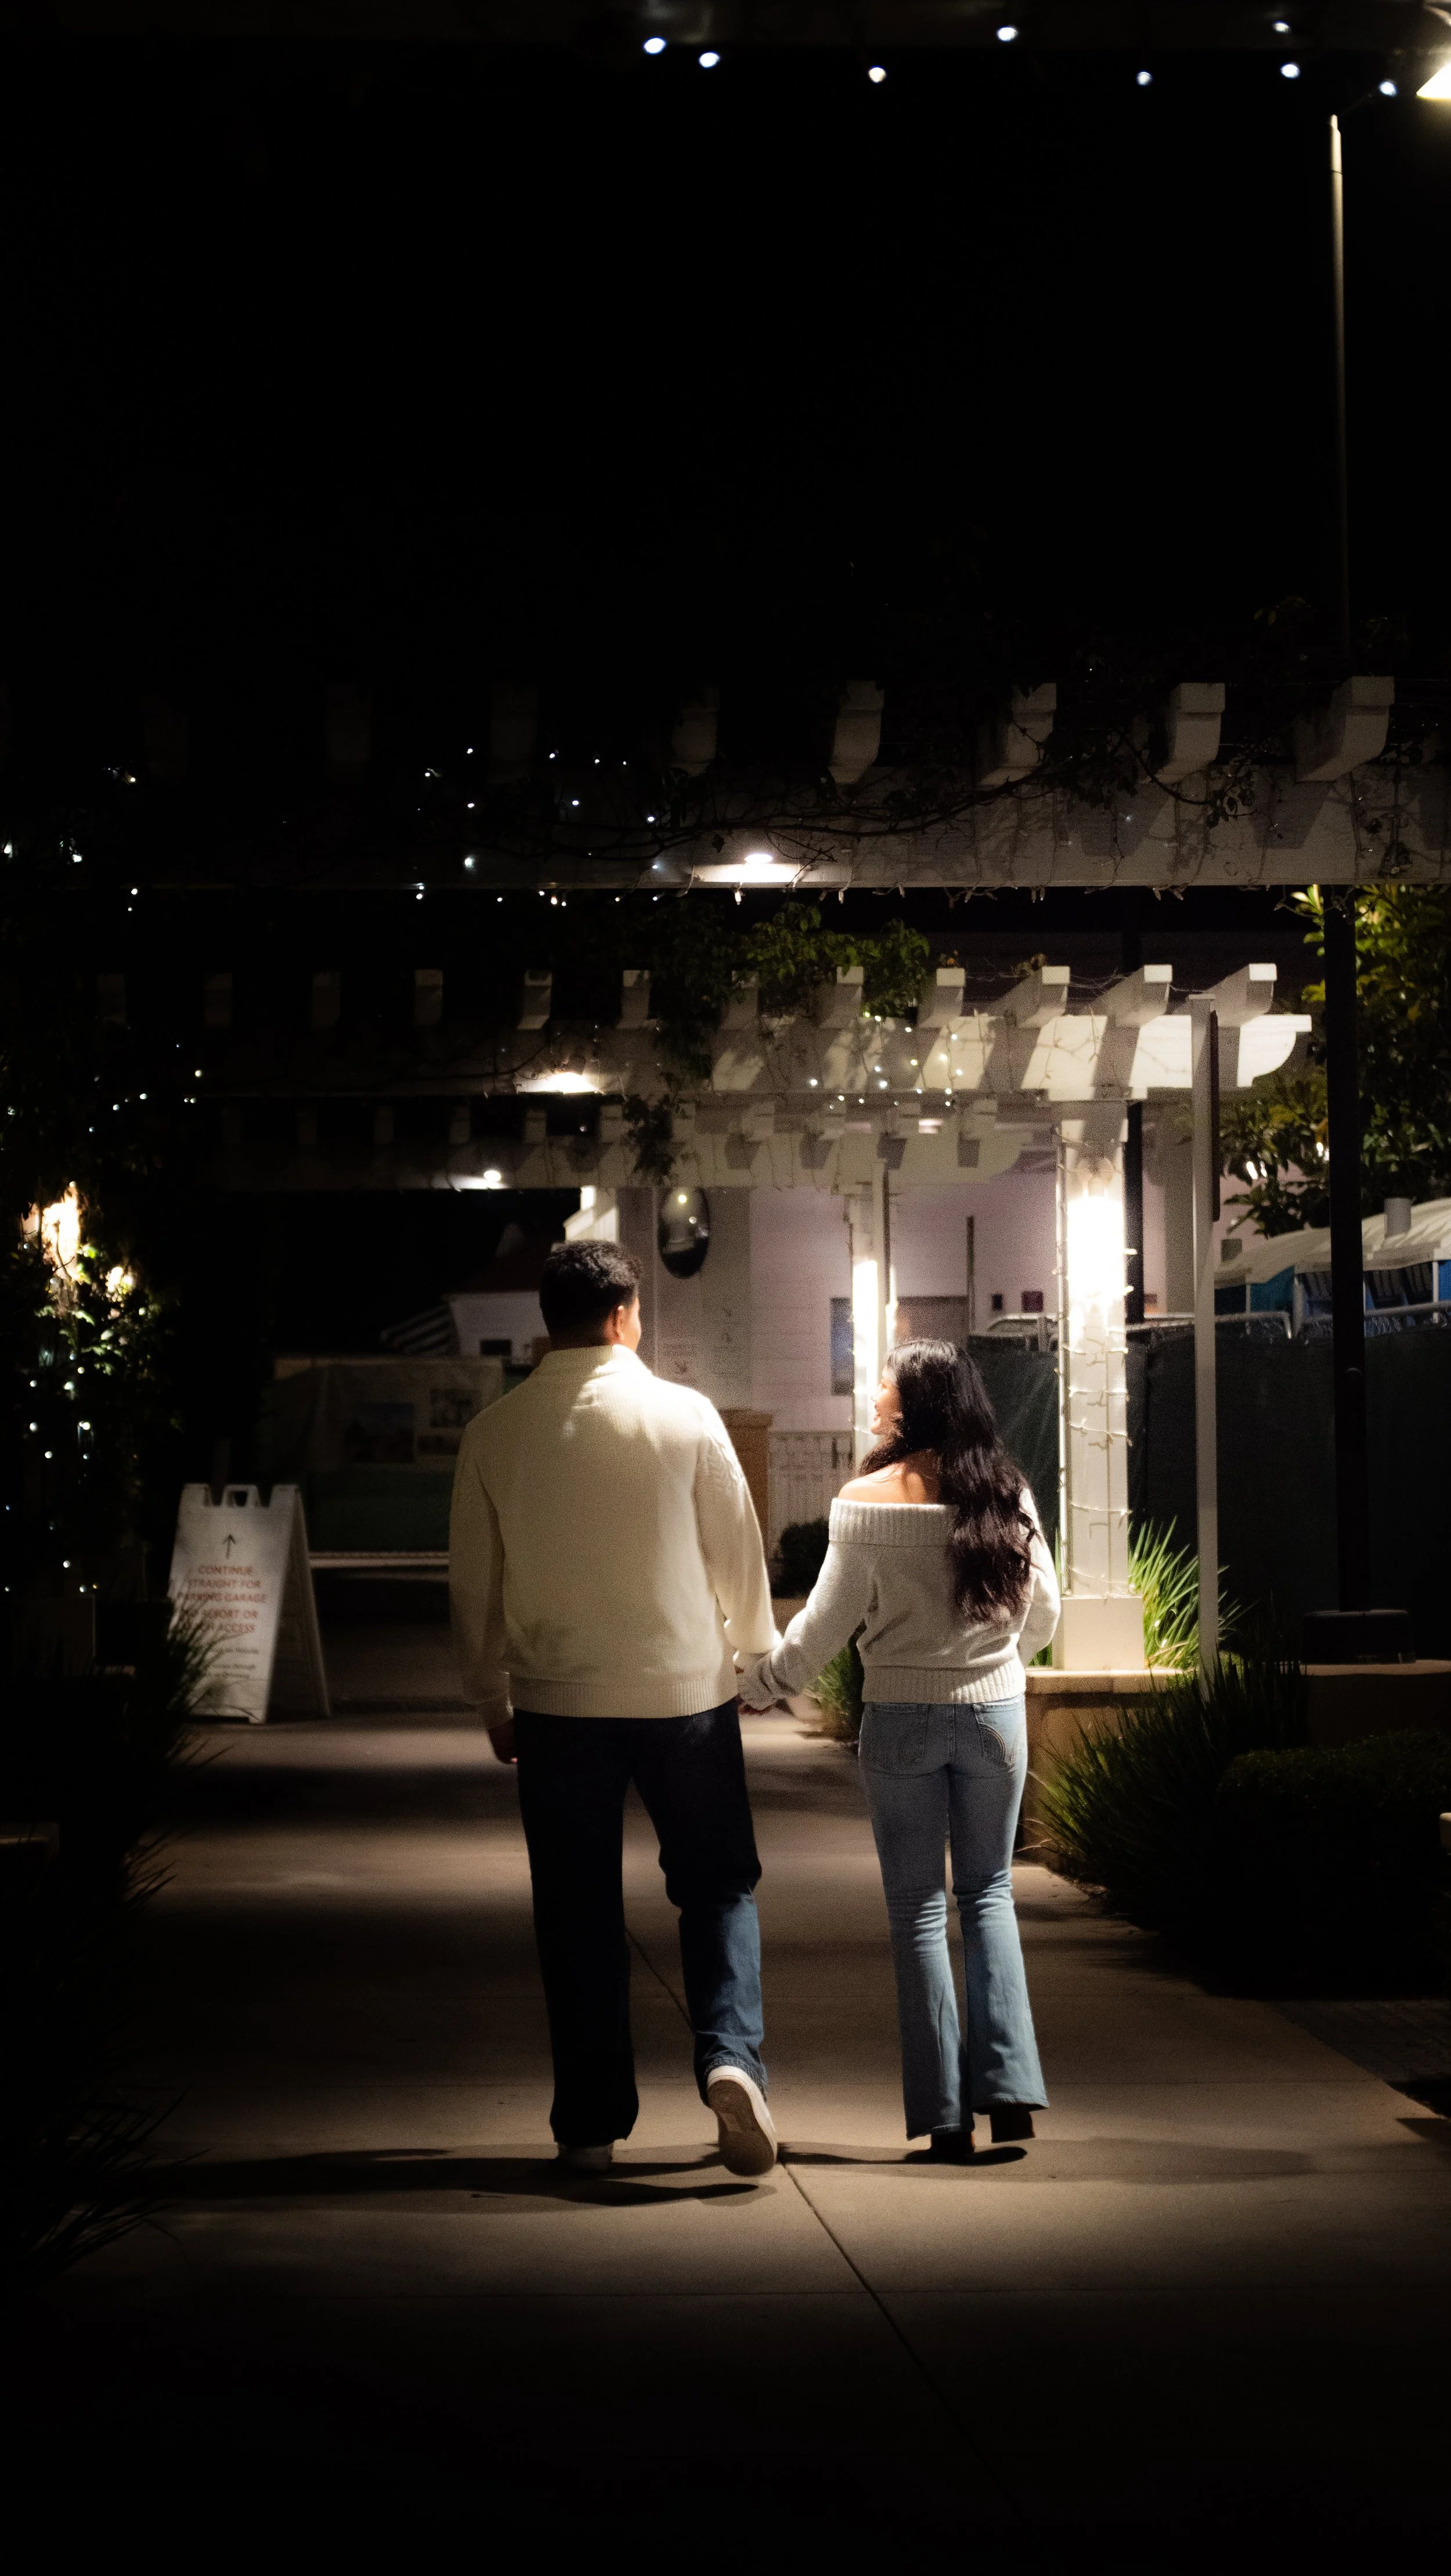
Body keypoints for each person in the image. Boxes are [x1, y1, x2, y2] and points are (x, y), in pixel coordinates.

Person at [450, 1238, 781, 2178]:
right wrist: (753, 1654)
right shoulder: (685, 1417)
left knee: (576, 1906)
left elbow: (473, 1584)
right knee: (717, 1885)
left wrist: (491, 1696)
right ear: (628, 1314)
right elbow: (737, 1548)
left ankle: (590, 2124)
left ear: (547, 1324)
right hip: (686, 1696)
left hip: (557, 1705)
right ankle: (731, 2058)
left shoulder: (498, 1433)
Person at [737, 1339, 1059, 2160]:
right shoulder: (1006, 1491)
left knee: (918, 1908)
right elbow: (1046, 1611)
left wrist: (764, 1683)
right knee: (988, 1893)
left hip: (902, 1719)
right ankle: (1011, 2089)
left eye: (887, 1383)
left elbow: (823, 1628)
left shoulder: (865, 1503)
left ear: (915, 1404)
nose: (876, 1394)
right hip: (995, 1715)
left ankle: (947, 2116)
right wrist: (995, 1667)